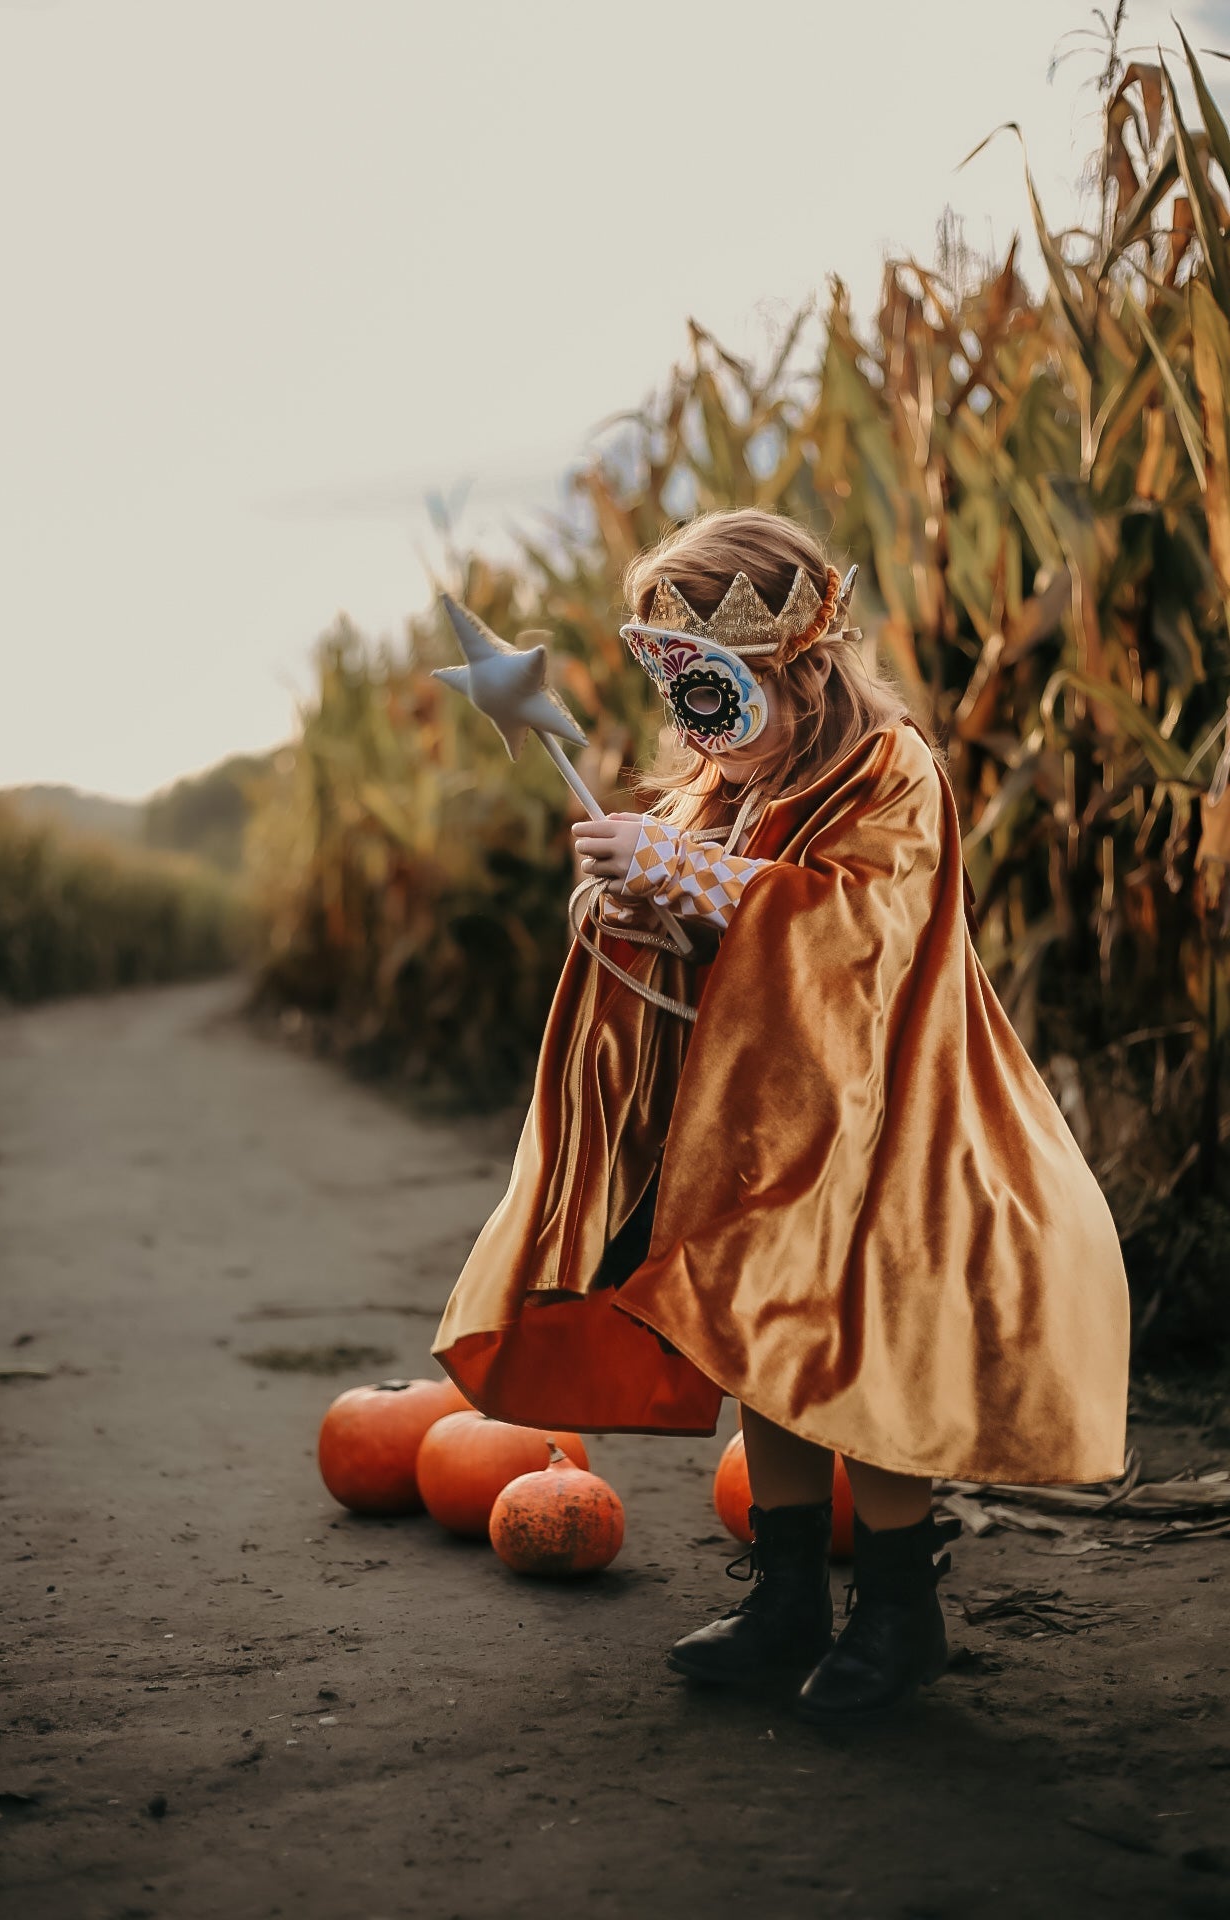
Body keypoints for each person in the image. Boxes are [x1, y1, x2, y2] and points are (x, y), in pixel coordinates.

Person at [433, 507, 1130, 1725]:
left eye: (713, 689)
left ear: (798, 666)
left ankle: (901, 1614)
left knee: (855, 1346)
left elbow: (860, 930)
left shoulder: (887, 770)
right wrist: (634, 902)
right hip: (752, 1127)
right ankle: (787, 1594)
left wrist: (687, 874)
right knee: (760, 1334)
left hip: (880, 1124)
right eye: (674, 690)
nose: (693, 725)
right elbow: (707, 944)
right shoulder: (719, 784)